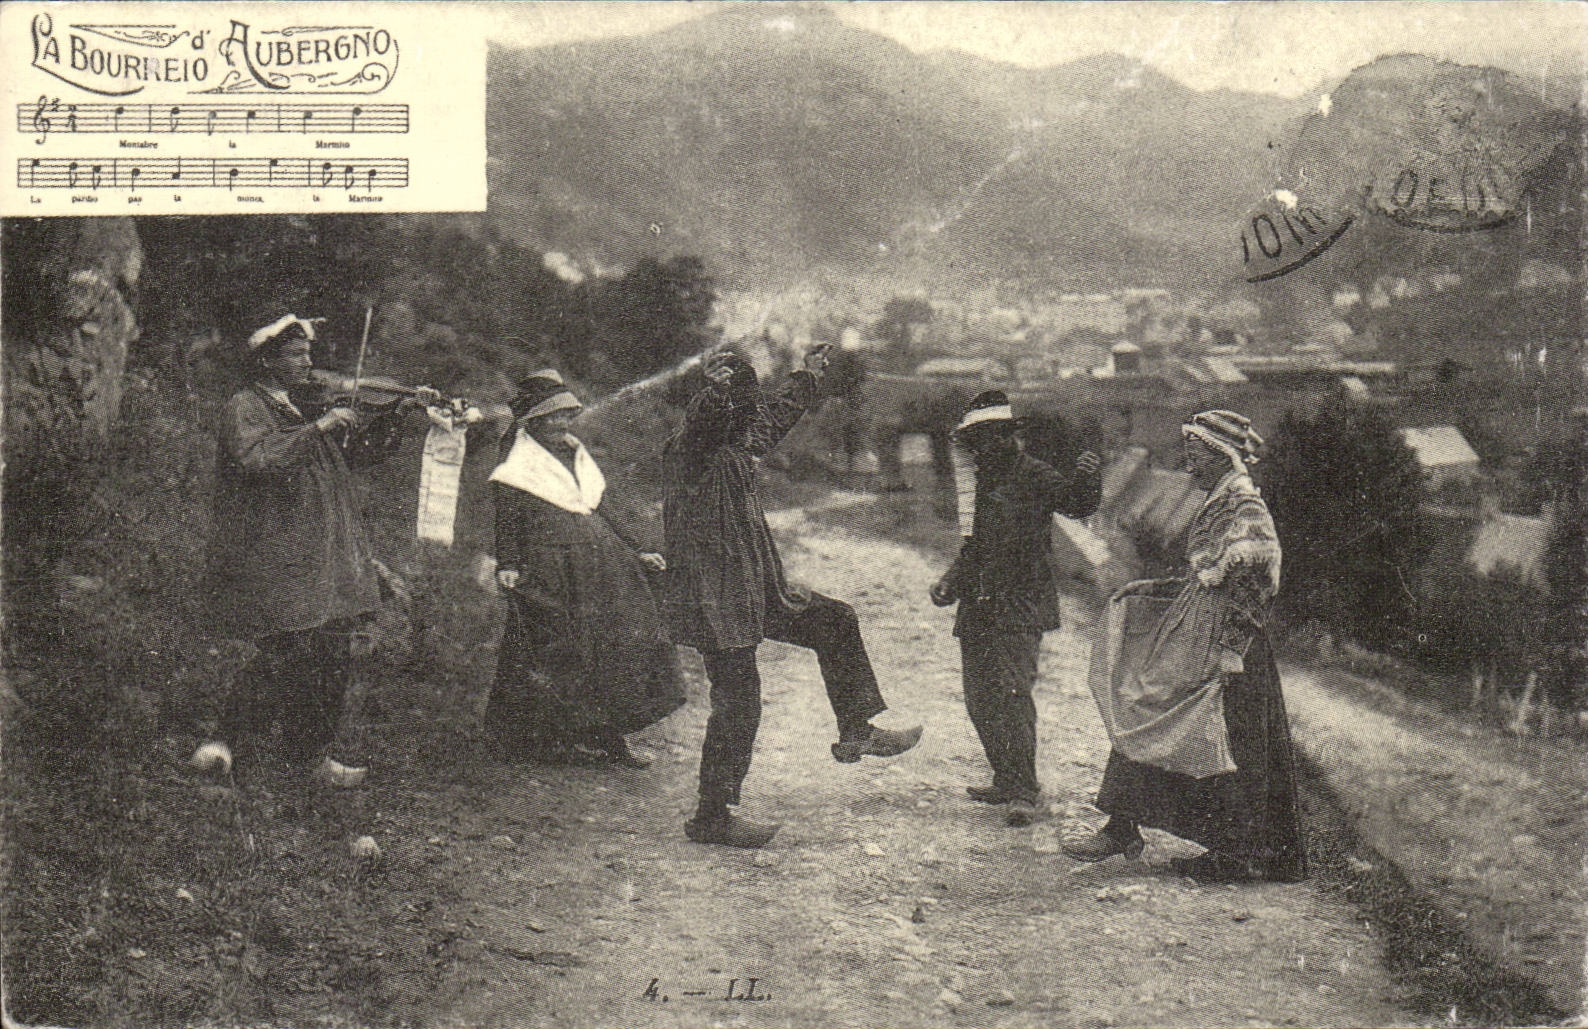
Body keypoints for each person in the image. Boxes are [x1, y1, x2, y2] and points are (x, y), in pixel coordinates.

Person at [663, 346, 923, 849]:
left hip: (756, 592)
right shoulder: (689, 453)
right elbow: (706, 424)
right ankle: (712, 816)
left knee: (835, 621)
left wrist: (806, 376)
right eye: (740, 410)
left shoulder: (736, 445)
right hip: (716, 605)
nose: (749, 421)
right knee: (738, 705)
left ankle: (857, 728)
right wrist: (714, 394)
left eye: (746, 408)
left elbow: (772, 416)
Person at [192, 313, 438, 786]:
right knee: (286, 648)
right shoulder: (246, 406)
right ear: (266, 360)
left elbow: (356, 457)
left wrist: (401, 417)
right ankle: (223, 742)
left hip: (325, 552)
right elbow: (258, 460)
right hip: (279, 548)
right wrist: (321, 426)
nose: (309, 362)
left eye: (308, 352)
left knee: (332, 653)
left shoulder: (299, 406)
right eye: (296, 353)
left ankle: (310, 757)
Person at [1063, 410, 1307, 884]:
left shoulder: (1243, 506)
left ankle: (1232, 853)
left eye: (1195, 456)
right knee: (1162, 714)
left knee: (1223, 740)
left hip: (1230, 646)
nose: (1188, 466)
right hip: (1205, 631)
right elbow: (1211, 573)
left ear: (1220, 456)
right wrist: (1157, 590)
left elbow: (1259, 576)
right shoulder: (1221, 499)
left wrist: (1232, 649)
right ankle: (1125, 826)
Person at [487, 370, 685, 767]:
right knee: (558, 649)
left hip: (601, 563)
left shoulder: (576, 452)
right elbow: (508, 520)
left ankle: (609, 736)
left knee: (616, 643)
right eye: (552, 417)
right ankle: (546, 739)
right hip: (551, 565)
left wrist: (637, 550)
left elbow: (602, 506)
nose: (561, 423)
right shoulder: (516, 467)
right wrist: (508, 564)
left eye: (566, 415)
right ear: (534, 423)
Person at [929, 391, 1102, 827]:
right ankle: (1005, 778)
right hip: (980, 602)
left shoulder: (1035, 475)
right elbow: (974, 545)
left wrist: (1089, 477)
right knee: (979, 697)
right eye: (976, 440)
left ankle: (1024, 789)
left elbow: (1076, 504)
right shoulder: (981, 482)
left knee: (1012, 692)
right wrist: (951, 579)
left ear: (1008, 437)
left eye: (990, 437)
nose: (983, 447)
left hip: (1021, 601)